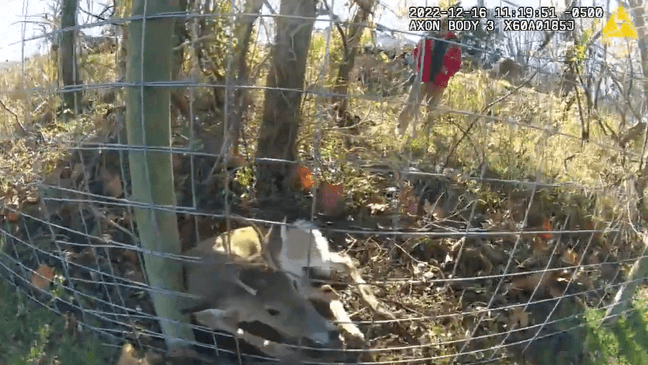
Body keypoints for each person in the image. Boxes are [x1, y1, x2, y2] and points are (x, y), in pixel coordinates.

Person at [396, 22, 462, 136]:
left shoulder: (454, 43)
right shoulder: (428, 37)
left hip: (439, 81)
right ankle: (400, 131)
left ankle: (424, 136)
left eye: (444, 26)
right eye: (439, 25)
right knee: (411, 103)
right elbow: (416, 52)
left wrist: (447, 71)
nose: (441, 28)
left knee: (431, 110)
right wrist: (418, 66)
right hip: (423, 76)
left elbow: (457, 65)